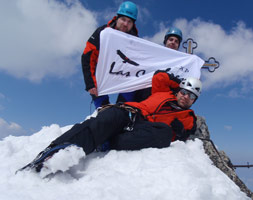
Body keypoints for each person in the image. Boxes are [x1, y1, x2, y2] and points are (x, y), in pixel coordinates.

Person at [19, 70, 202, 172]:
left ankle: (107, 142)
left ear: (194, 101)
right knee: (107, 118)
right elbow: (159, 76)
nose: (186, 97)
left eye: (191, 96)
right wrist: (179, 80)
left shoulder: (189, 118)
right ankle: (56, 150)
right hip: (131, 113)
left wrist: (178, 133)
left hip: (145, 129)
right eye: (184, 92)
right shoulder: (163, 92)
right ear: (178, 91)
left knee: (164, 133)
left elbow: (186, 134)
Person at [81, 1, 139, 109]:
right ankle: (103, 110)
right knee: (104, 111)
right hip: (102, 76)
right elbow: (88, 56)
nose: (125, 24)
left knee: (123, 110)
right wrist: (90, 84)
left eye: (129, 21)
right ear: (117, 18)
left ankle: (124, 110)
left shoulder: (136, 41)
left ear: (133, 24)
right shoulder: (103, 33)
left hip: (124, 77)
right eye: (123, 19)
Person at [133, 27, 183, 102]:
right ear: (165, 41)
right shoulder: (153, 55)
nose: (173, 42)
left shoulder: (181, 63)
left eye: (176, 41)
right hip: (145, 93)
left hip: (165, 99)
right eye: (171, 39)